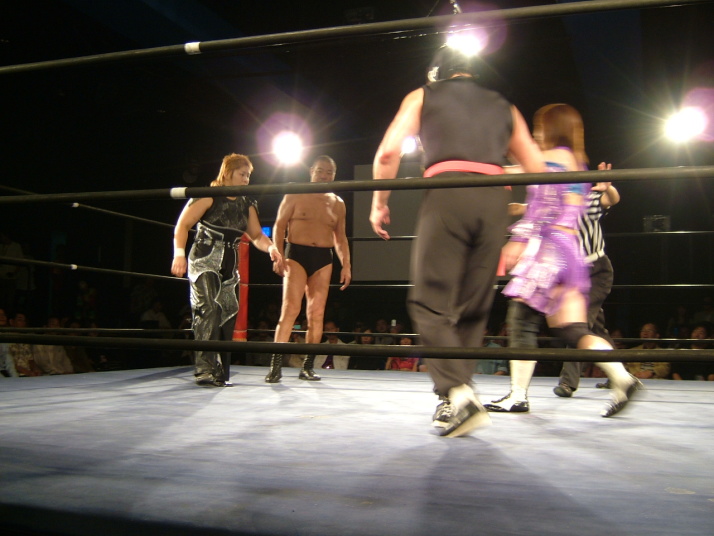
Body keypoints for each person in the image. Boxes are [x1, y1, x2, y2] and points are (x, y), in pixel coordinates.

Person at [369, 44, 546, 437]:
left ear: (438, 73)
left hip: (448, 193)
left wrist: (379, 203)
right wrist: (526, 231)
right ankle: (456, 399)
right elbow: (538, 169)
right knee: (472, 308)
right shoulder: (505, 106)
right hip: (494, 201)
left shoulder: (423, 95)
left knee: (429, 301)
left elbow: (388, 153)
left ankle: (458, 392)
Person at [484, 103, 641, 417]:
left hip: (549, 249)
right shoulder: (575, 162)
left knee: (522, 321)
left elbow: (527, 179)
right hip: (569, 251)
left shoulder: (555, 157)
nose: (537, 134)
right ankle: (622, 378)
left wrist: (519, 237)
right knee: (572, 330)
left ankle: (518, 395)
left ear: (552, 128)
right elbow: (534, 180)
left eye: (540, 128)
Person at [502, 171, 622, 399]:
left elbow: (611, 199)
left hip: (594, 270)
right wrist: (512, 207)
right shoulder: (554, 200)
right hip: (571, 270)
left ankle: (568, 382)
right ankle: (621, 375)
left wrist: (608, 187)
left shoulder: (585, 198)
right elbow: (530, 208)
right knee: (595, 328)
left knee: (577, 326)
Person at [172, 153, 281, 387]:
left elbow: (256, 235)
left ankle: (219, 371)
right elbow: (183, 224)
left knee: (229, 312)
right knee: (208, 308)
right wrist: (179, 253)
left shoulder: (247, 203)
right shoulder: (209, 195)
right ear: (228, 172)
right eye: (242, 174)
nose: (246, 180)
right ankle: (204, 370)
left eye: (248, 175)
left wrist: (272, 248)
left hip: (230, 263)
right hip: (205, 258)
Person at [265, 155, 351, 383]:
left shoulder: (338, 203)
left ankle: (308, 366)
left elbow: (340, 237)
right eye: (320, 170)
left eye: (329, 172)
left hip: (323, 256)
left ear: (334, 175)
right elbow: (279, 225)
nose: (324, 175)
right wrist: (278, 254)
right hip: (296, 254)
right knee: (290, 308)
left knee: (316, 313)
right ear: (311, 170)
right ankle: (275, 364)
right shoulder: (295, 193)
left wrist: (346, 265)